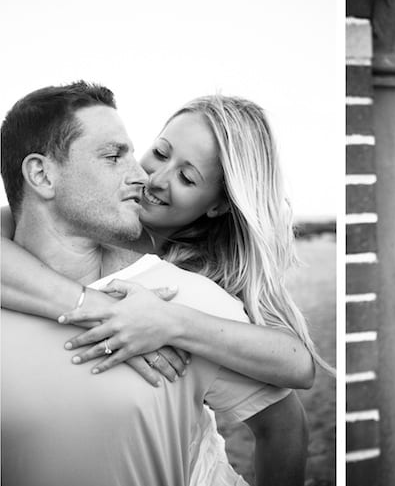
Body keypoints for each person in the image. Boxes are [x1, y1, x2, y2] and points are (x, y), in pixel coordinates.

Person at [0, 82, 309, 486]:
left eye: (187, 177)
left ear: (217, 204)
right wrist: (94, 306)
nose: (151, 178)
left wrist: (171, 322)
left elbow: (296, 372)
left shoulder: (191, 287)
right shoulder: (62, 224)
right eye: (160, 153)